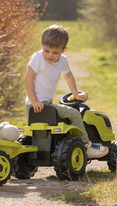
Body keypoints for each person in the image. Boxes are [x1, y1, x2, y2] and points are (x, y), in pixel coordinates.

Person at [24, 25, 108, 158]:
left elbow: (68, 76)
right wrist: (34, 100)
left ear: (64, 50)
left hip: (47, 104)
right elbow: (28, 79)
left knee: (64, 116)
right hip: (36, 105)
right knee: (74, 114)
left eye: (55, 52)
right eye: (47, 50)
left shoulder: (63, 61)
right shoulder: (37, 58)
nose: (50, 55)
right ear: (41, 45)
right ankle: (87, 145)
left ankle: (65, 146)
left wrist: (75, 94)